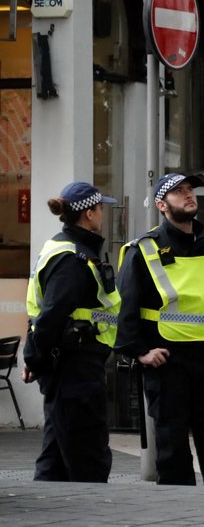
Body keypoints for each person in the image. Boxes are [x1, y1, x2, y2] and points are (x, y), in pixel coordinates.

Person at [115, 173, 204, 486]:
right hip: (168, 360)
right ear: (162, 204)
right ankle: (178, 511)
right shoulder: (144, 249)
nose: (188, 196)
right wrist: (139, 352)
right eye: (178, 192)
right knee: (173, 446)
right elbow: (126, 306)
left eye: (189, 190)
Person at [23, 182, 118, 482]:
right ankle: (91, 519)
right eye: (101, 208)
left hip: (69, 365)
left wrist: (35, 359)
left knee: (55, 459)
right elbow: (52, 315)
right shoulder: (72, 258)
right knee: (87, 456)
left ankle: (51, 510)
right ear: (89, 213)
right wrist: (35, 360)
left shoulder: (66, 249)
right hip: (74, 368)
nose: (103, 214)